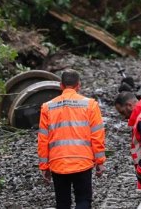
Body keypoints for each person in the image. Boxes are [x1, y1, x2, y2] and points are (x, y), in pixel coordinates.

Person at [37, 69, 106, 209]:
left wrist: (44, 166)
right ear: (78, 85)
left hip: (58, 163)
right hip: (83, 162)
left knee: (62, 203)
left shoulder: (47, 107)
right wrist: (100, 161)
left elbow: (43, 139)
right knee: (83, 200)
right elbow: (97, 135)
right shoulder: (90, 105)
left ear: (61, 85)